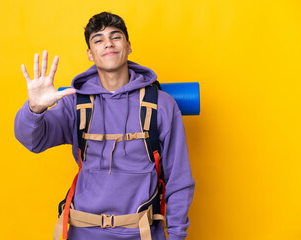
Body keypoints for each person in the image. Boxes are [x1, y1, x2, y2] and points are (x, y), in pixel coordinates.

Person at [14, 11, 195, 240]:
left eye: (115, 37)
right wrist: (35, 109)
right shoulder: (76, 103)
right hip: (83, 231)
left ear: (128, 46)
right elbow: (33, 140)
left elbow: (179, 180)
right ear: (90, 54)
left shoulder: (161, 105)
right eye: (98, 40)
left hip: (141, 233)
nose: (108, 43)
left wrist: (177, 236)